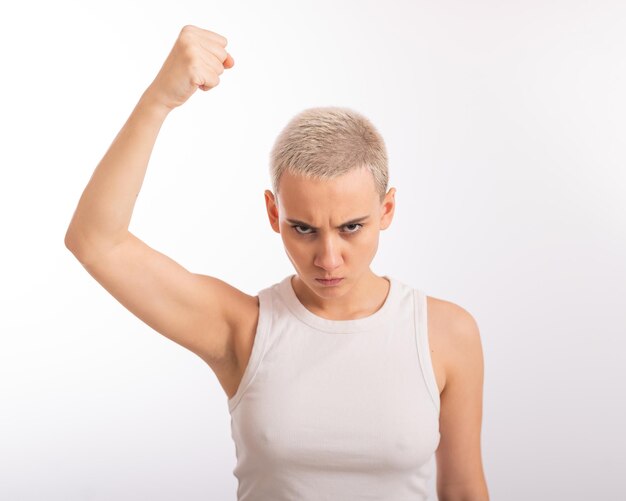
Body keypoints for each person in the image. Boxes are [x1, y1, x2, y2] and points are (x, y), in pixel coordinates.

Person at [64, 24, 489, 501]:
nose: (328, 259)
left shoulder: (446, 334)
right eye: (304, 229)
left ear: (386, 210)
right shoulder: (242, 329)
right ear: (274, 213)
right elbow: (95, 242)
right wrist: (159, 100)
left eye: (351, 227)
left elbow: (462, 487)